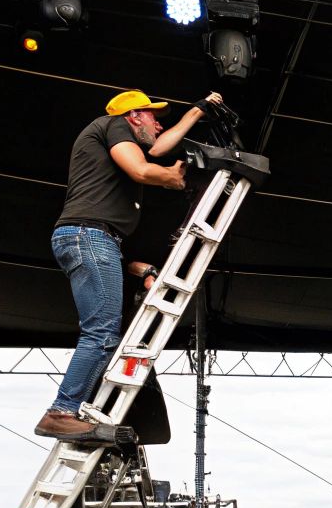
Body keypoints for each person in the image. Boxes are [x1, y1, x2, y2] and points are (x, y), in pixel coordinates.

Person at [35, 89, 221, 439]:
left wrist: (197, 112)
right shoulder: (112, 125)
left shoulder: (118, 138)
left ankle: (73, 409)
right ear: (134, 116)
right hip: (89, 236)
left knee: (103, 333)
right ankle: (61, 412)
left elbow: (157, 149)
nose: (158, 124)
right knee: (102, 333)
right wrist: (170, 178)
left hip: (92, 239)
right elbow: (141, 168)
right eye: (152, 117)